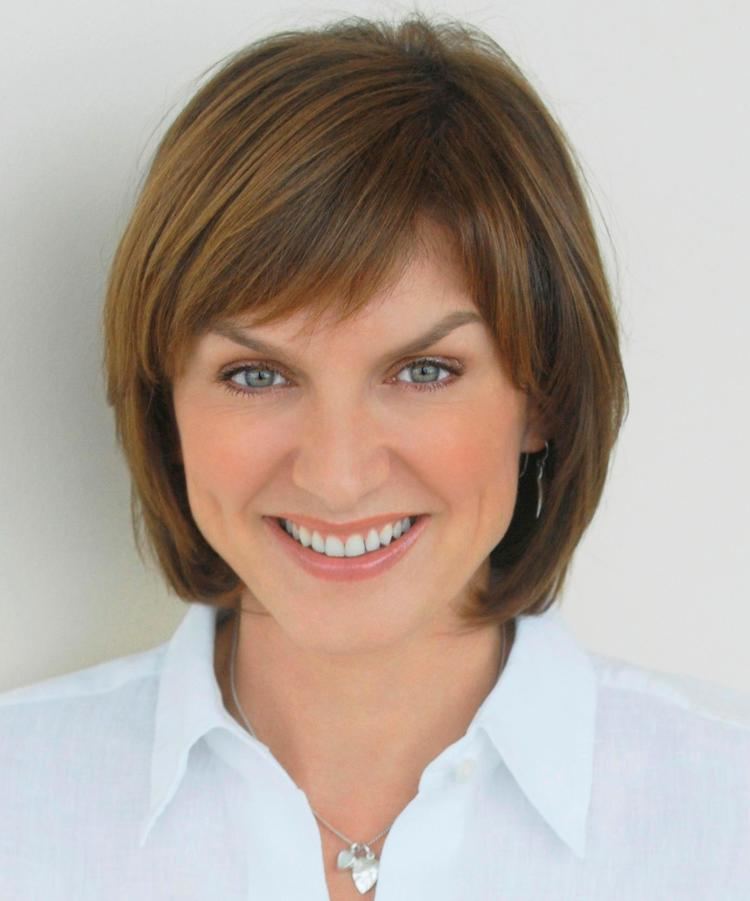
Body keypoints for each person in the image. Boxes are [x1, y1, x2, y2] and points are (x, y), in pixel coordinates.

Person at [1, 12, 748, 900]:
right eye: (256, 375)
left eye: (424, 369)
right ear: (167, 407)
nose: (338, 472)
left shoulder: (724, 816)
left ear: (542, 395)